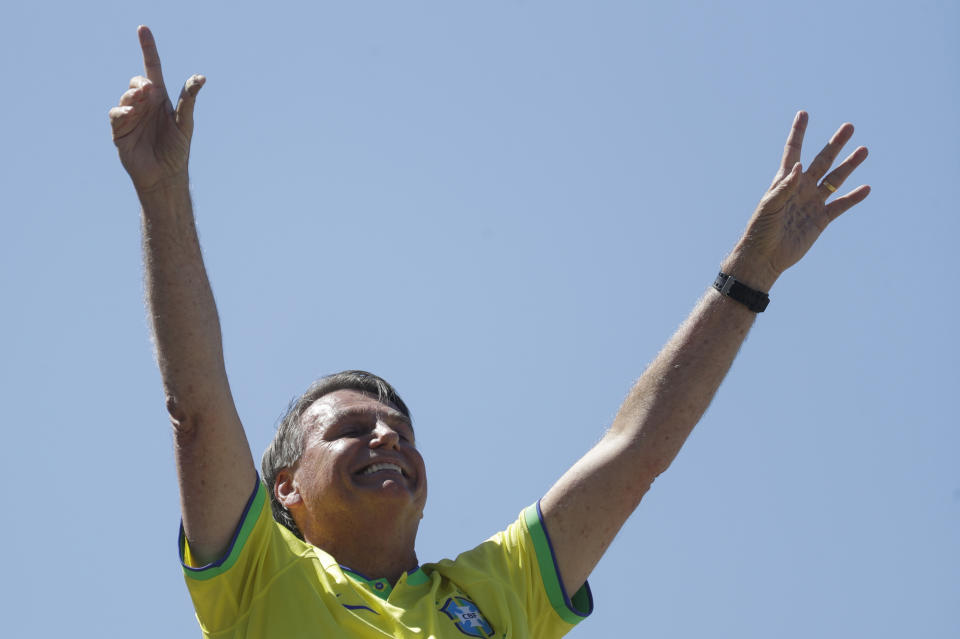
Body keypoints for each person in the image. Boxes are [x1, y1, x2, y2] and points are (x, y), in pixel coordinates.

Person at [109, 25, 870, 639]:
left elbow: (635, 451)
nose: (387, 440)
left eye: (399, 429)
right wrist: (162, 194)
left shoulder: (494, 592)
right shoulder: (257, 576)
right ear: (284, 489)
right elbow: (198, 407)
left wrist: (748, 277)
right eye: (350, 428)